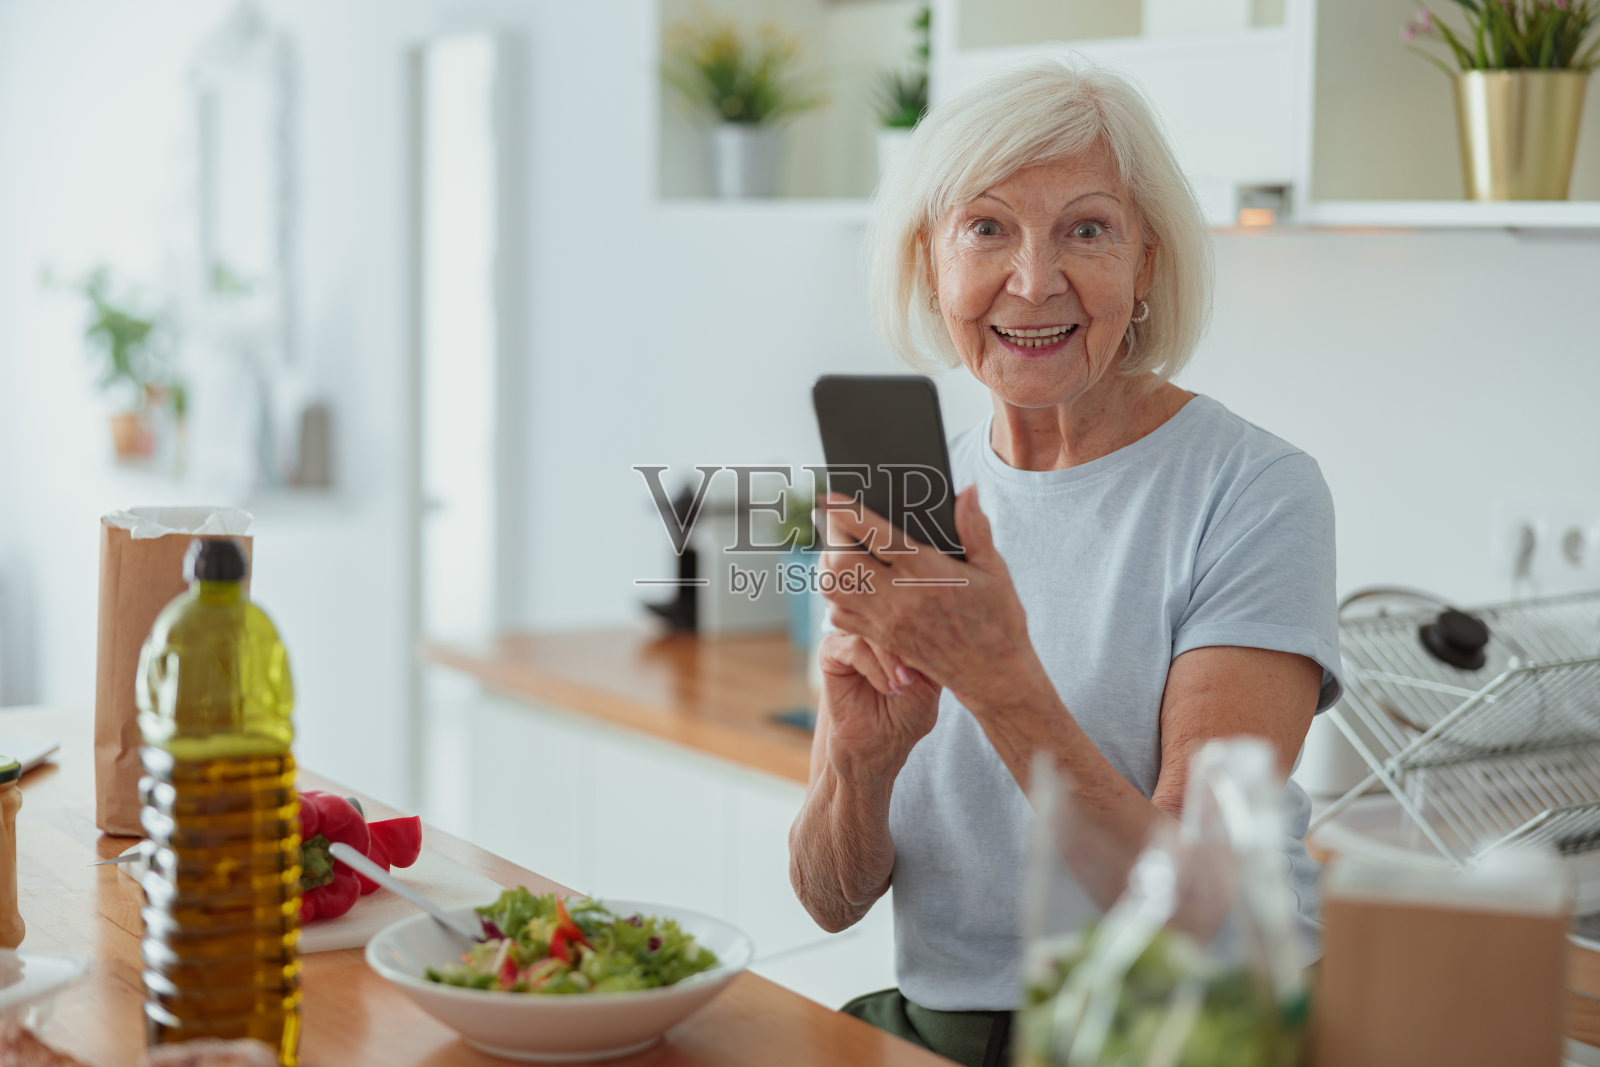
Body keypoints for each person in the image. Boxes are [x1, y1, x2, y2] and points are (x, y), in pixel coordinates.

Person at [787, 57, 1343, 1067]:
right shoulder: (915, 499)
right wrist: (859, 768)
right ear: (930, 263)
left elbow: (1204, 906)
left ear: (1146, 264)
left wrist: (998, 682)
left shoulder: (1254, 491)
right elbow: (829, 897)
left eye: (1086, 230)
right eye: (986, 228)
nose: (1034, 280)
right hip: (949, 1030)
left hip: (1183, 1028)